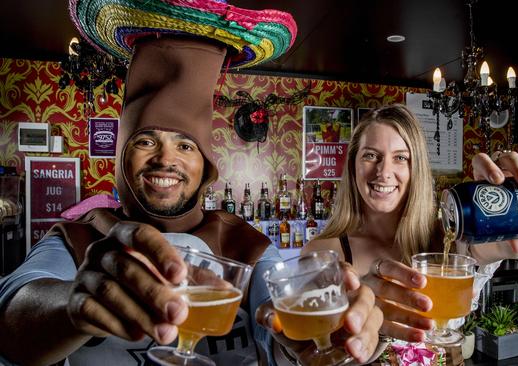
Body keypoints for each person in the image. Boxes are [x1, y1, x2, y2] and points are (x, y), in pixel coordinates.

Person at [0, 1, 382, 365]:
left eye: (185, 145)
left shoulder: (245, 245)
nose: (166, 159)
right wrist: (73, 305)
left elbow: (280, 327)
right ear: (121, 155)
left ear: (206, 164)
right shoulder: (77, 238)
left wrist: (323, 334)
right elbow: (13, 313)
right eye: (146, 141)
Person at [303, 104, 518, 363]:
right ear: (353, 166)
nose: (384, 172)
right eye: (371, 155)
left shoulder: (448, 237)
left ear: (415, 168)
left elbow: (512, 245)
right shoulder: (324, 254)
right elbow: (299, 348)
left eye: (400, 157)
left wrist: (513, 195)